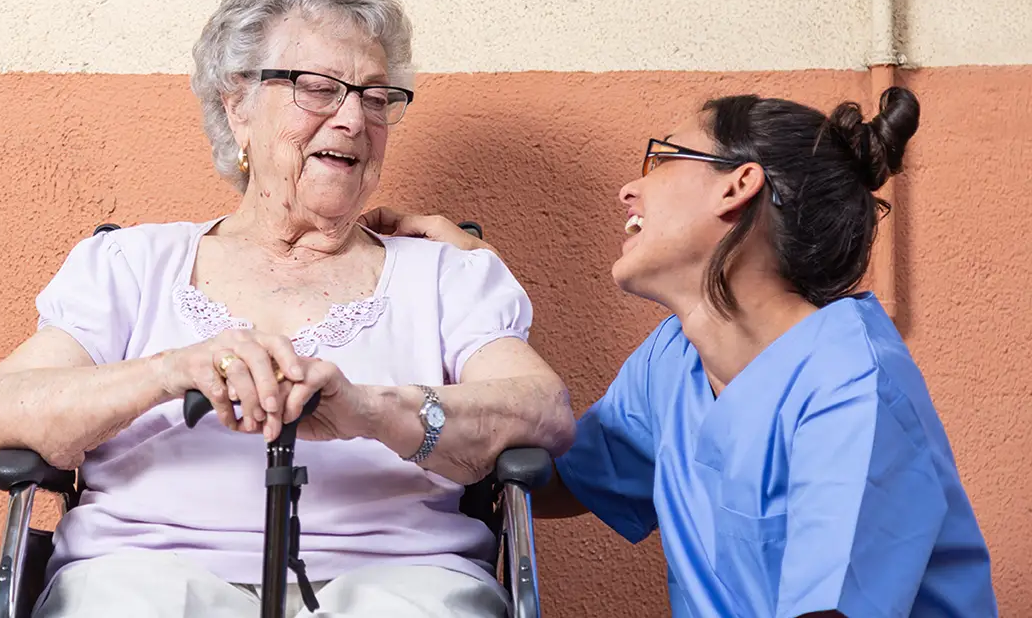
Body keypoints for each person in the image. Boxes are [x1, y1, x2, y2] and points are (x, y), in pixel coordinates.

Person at [0, 0, 575, 618]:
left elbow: (543, 409)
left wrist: (370, 411)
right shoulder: (132, 265)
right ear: (238, 106)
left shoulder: (446, 273)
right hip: (145, 576)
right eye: (318, 88)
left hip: (401, 578)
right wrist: (172, 371)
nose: (352, 120)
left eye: (374, 96)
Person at [363, 87, 999, 617]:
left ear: (738, 186)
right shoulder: (674, 361)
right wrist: (471, 284)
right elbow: (548, 478)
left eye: (659, 161)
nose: (627, 192)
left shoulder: (852, 387)